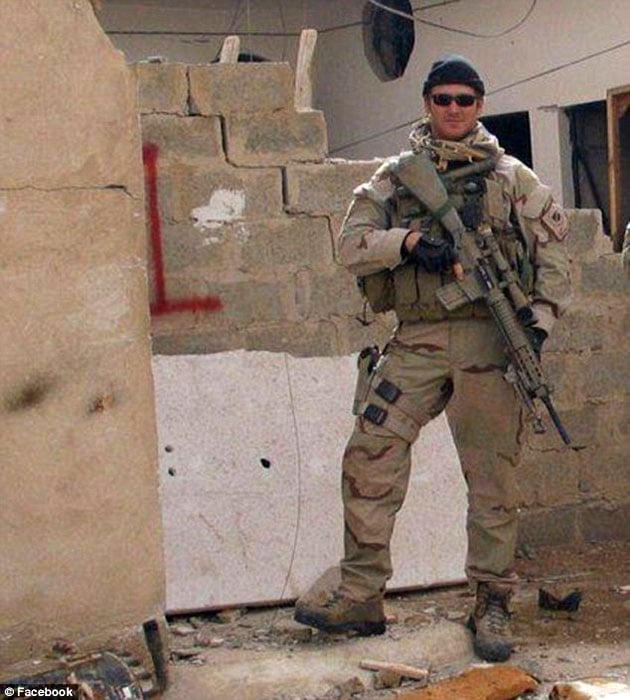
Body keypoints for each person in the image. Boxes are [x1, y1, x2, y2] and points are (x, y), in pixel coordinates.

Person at [293, 54, 572, 663]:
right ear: (427, 103)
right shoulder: (396, 179)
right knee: (370, 456)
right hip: (416, 340)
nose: (453, 109)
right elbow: (350, 246)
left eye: (464, 100)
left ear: (480, 105)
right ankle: (361, 594)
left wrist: (539, 321)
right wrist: (409, 242)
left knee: (493, 478)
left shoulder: (513, 178)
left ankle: (491, 601)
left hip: (489, 344)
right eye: (442, 99)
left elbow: (555, 262)